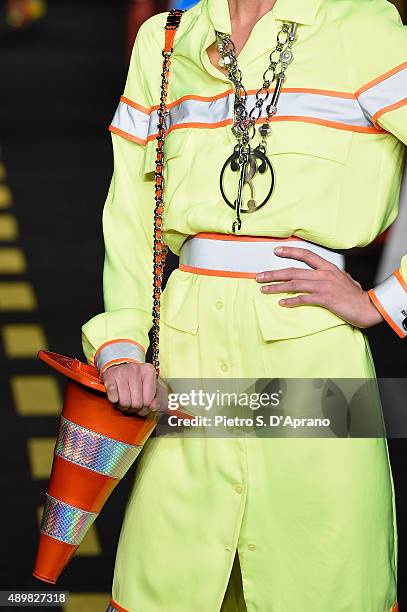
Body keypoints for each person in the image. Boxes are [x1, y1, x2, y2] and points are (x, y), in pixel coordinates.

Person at [81, 0, 407, 610]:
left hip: (314, 351)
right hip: (184, 350)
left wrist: (387, 301)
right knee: (172, 583)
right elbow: (130, 205)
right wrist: (123, 345)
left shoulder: (362, 28)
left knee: (320, 578)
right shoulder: (164, 41)